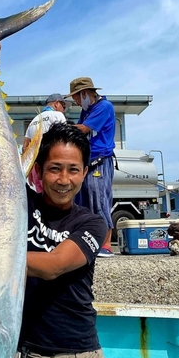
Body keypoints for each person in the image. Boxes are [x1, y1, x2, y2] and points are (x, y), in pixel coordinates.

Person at [0, 39, 146, 358]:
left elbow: (51, 267)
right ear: (37, 171)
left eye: (73, 170)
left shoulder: (93, 223)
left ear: (85, 172)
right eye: (54, 168)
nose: (64, 179)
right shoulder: (18, 204)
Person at [65, 77, 116, 258]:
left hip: (100, 161)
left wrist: (63, 128)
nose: (76, 102)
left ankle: (106, 244)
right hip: (87, 161)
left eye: (77, 98)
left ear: (84, 93)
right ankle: (88, 241)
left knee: (99, 199)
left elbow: (84, 130)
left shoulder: (104, 107)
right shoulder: (87, 111)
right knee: (82, 200)